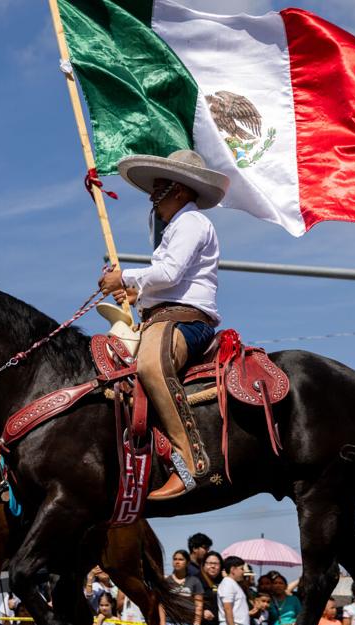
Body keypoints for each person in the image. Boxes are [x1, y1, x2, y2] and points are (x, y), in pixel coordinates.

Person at [99, 149, 230, 499]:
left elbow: (170, 273)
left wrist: (125, 277)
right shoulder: (179, 225)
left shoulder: (192, 223)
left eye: (160, 187)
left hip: (185, 321)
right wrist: (133, 294)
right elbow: (167, 280)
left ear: (181, 190)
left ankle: (190, 461)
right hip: (163, 317)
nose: (152, 195)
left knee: (150, 366)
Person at [164, 550, 204, 625]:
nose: (177, 562)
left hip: (188, 624)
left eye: (181, 559)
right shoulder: (166, 581)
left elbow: (199, 605)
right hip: (169, 623)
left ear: (188, 563)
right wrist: (162, 623)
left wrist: (197, 624)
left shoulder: (195, 581)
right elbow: (162, 604)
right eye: (175, 559)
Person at [220, 557, 251, 625]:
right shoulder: (227, 583)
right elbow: (227, 608)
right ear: (233, 569)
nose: (244, 572)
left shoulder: (233, 584)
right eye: (242, 569)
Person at [197, 552, 223, 625]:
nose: (212, 566)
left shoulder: (223, 581)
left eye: (216, 564)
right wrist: (202, 612)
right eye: (209, 563)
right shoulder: (195, 580)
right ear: (203, 565)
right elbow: (186, 601)